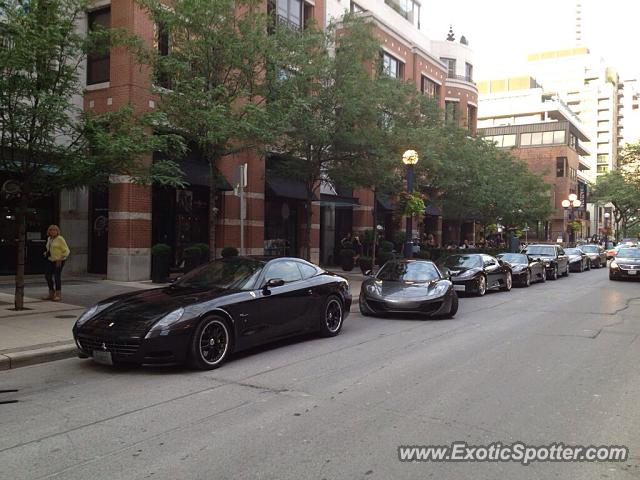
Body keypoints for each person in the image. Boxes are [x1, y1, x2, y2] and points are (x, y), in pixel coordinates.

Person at [42, 225, 70, 302]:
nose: (53, 231)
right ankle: (51, 293)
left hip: (59, 260)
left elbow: (67, 251)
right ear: (49, 231)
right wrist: (46, 252)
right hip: (50, 259)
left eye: (55, 230)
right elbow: (49, 248)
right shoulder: (49, 239)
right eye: (51, 230)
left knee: (57, 277)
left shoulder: (60, 239)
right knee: (47, 276)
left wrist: (61, 258)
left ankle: (58, 294)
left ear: (57, 231)